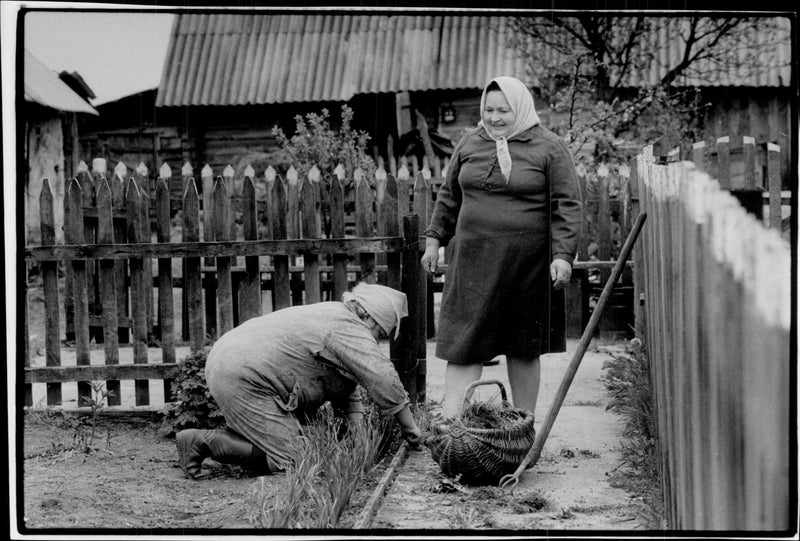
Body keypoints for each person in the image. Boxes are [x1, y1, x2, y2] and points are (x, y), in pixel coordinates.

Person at [421, 76, 582, 420]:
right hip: (472, 263)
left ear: (520, 108)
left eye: (503, 111)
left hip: (527, 266)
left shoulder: (548, 147)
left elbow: (567, 204)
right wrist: (433, 241)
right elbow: (449, 196)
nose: (494, 118)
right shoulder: (470, 143)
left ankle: (521, 424)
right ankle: (452, 424)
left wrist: (562, 256)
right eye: (489, 110)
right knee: (465, 343)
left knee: (523, 346)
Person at [175, 283, 423, 479]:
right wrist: (410, 428)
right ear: (367, 316)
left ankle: (243, 439)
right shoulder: (347, 327)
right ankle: (201, 442)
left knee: (292, 443)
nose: (376, 341)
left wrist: (359, 435)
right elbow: (382, 377)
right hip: (243, 373)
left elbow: (346, 383)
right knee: (295, 458)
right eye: (379, 333)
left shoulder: (333, 315)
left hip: (230, 361)